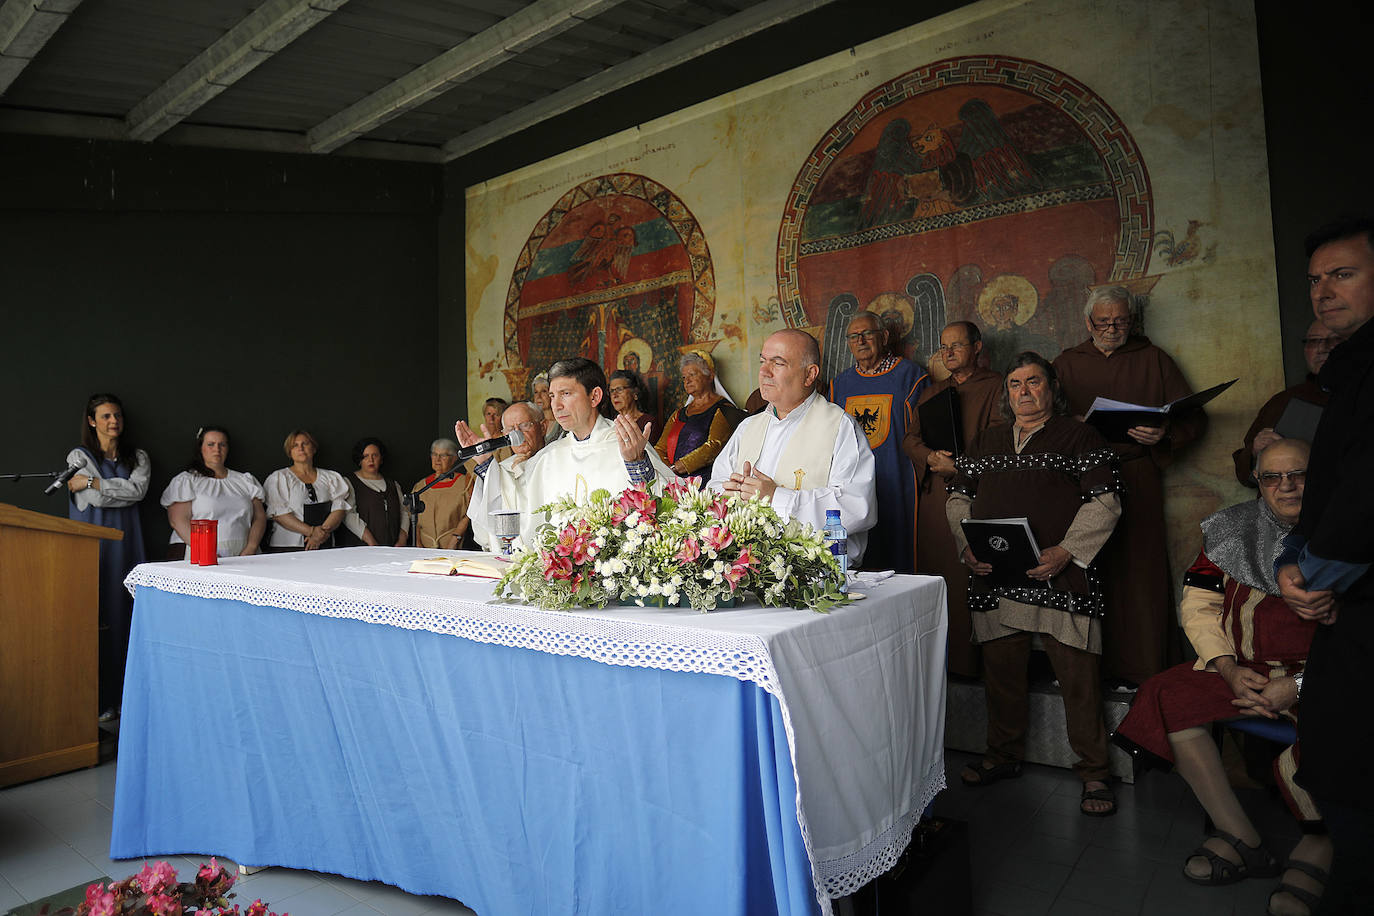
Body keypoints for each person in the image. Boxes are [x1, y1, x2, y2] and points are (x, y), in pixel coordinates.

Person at [1114, 440, 1328, 912]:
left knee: (1338, 726)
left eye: (1300, 474)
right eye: (1272, 477)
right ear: (1257, 481)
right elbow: (1199, 603)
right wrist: (1228, 669)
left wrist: (1293, 687)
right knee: (1166, 693)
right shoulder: (1232, 528)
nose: (1286, 485)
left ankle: (1322, 841)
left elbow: (1362, 643)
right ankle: (1240, 834)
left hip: (1328, 677)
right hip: (1242, 669)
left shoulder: (1348, 533)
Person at [945, 353, 1122, 815]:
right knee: (1002, 679)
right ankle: (1003, 757)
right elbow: (958, 497)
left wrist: (1065, 551)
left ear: (1052, 388)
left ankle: (1094, 771)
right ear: (1006, 393)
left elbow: (1105, 502)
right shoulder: (987, 440)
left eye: (1034, 382)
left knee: (1079, 681)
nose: (1024, 392)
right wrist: (967, 546)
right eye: (1015, 384)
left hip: (1059, 575)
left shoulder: (1078, 435)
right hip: (997, 578)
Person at [1276, 216, 1374, 913]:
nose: (1323, 291)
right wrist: (1289, 558)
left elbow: (1366, 494)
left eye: (1343, 274)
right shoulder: (1341, 377)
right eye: (1315, 279)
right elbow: (1315, 491)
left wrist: (1312, 577)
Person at [1053, 286, 1206, 689]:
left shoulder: (1152, 358)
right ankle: (1091, 671)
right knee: (1087, 570)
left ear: (1132, 321)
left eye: (1121, 321)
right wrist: (1074, 431)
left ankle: (1145, 669)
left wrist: (1163, 433)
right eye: (1104, 322)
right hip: (1080, 483)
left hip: (1137, 478)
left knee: (1139, 573)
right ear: (1088, 323)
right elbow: (1047, 418)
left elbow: (1193, 417)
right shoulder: (1068, 363)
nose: (1113, 328)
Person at [461, 358, 673, 549]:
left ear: (595, 396)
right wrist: (485, 466)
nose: (556, 405)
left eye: (566, 394)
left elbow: (670, 503)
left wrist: (636, 464)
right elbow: (515, 502)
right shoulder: (549, 457)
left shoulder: (625, 443)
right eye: (553, 396)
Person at [707, 329, 877, 566]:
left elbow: (857, 507)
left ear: (810, 375)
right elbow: (715, 488)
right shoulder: (748, 427)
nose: (764, 372)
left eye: (778, 363)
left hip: (818, 578)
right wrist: (732, 494)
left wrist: (776, 497)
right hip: (747, 568)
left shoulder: (839, 427)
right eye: (762, 362)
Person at [902, 321, 1004, 675]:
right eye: (944, 347)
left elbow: (999, 437)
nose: (948, 353)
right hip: (936, 500)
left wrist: (960, 465)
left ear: (977, 347)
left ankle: (974, 665)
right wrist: (930, 458)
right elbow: (910, 439)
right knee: (940, 573)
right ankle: (941, 664)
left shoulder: (998, 385)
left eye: (957, 345)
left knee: (975, 574)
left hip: (979, 494)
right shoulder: (932, 393)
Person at [66, 393, 150, 721]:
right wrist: (107, 487)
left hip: (129, 546)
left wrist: (91, 481)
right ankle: (97, 700)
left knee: (126, 616)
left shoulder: (138, 456)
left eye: (117, 415)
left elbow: (138, 492)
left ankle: (126, 698)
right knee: (94, 616)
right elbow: (98, 501)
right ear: (91, 421)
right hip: (93, 548)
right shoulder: (78, 455)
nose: (113, 421)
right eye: (105, 416)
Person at [829, 310, 928, 572]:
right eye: (853, 336)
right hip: (853, 487)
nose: (860, 341)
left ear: (883, 336)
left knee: (900, 556)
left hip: (897, 481)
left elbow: (923, 434)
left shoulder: (911, 376)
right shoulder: (839, 385)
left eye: (867, 334)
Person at [1231, 320, 1341, 486]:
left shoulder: (1364, 399)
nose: (1322, 348)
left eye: (1335, 340)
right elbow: (1246, 475)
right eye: (1313, 341)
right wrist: (1254, 452)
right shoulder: (1282, 402)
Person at [159, 426, 266, 559]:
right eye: (211, 444)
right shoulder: (188, 480)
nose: (217, 449)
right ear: (201, 448)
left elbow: (259, 517)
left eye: (222, 444)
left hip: (244, 553)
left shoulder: (245, 481)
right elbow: (178, 520)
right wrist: (205, 551)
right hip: (200, 553)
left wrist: (251, 548)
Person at [468, 400, 549, 551]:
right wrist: (485, 464)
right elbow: (483, 526)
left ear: (543, 427)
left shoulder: (555, 458)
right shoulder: (502, 469)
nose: (517, 434)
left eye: (525, 425)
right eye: (510, 429)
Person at [656, 350, 744, 479]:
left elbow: (714, 446)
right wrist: (668, 471)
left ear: (710, 376)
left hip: (705, 484)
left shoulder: (724, 409)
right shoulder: (678, 414)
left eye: (692, 374)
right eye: (684, 377)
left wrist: (680, 466)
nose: (687, 381)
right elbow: (659, 447)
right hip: (673, 481)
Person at [263, 429, 351, 551]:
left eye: (305, 444)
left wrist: (320, 535)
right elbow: (279, 514)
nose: (301, 448)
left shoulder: (330, 477)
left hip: (324, 544)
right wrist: (311, 532)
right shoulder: (279, 478)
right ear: (290, 451)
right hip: (288, 547)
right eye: (295, 445)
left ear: (314, 448)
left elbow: (339, 508)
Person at [338, 437, 409, 548]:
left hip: (393, 549)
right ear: (360, 459)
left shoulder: (393, 485)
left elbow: (405, 512)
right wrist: (371, 541)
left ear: (381, 459)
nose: (371, 460)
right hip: (362, 548)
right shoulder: (349, 482)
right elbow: (349, 515)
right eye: (366, 456)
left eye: (375, 455)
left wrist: (402, 539)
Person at [411, 438, 470, 550]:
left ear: (454, 459)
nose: (437, 459)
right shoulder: (420, 486)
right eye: (434, 454)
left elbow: (469, 514)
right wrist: (418, 543)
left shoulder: (464, 483)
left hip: (452, 546)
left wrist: (455, 538)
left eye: (443, 455)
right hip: (424, 549)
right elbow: (415, 519)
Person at [607, 369, 661, 446]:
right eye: (611, 391)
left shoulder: (648, 423)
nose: (614, 395)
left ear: (635, 392)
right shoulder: (610, 423)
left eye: (619, 389)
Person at [530, 372, 563, 442]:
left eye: (543, 391)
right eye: (536, 392)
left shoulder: (562, 423)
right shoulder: (533, 424)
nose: (538, 396)